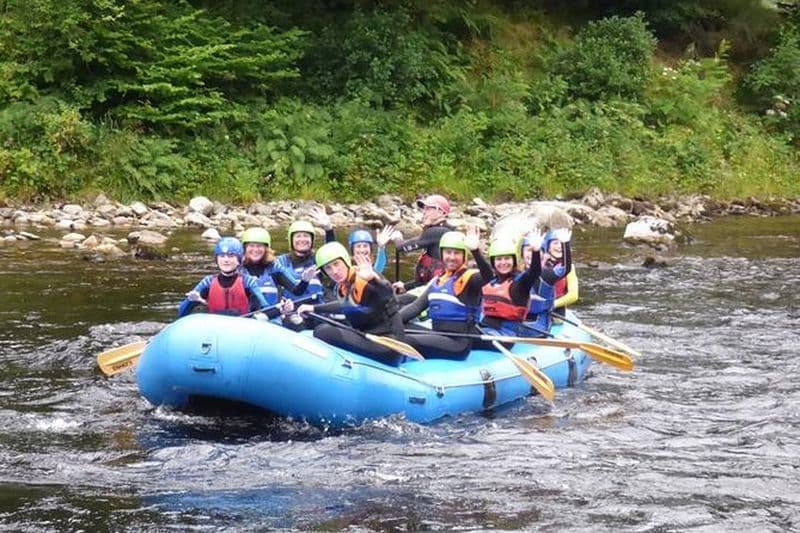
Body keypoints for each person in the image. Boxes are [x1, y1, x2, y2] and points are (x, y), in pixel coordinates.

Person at [295, 242, 406, 365]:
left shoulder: (365, 276)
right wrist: (313, 308)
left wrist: (374, 280)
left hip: (388, 345)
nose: (334, 271)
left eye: (337, 264)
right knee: (325, 328)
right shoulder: (342, 287)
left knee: (323, 331)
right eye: (328, 268)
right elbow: (345, 305)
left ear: (346, 261)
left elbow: (387, 294)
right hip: (369, 337)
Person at [400, 229, 485, 358]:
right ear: (441, 254)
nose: (451, 257)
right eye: (448, 252)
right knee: (398, 328)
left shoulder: (470, 278)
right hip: (438, 335)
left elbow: (488, 277)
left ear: (464, 256)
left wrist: (476, 251)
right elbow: (415, 307)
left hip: (458, 343)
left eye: (456, 253)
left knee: (407, 340)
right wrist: (388, 322)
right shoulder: (437, 281)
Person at [177, 237, 271, 318]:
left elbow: (264, 307)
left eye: (231, 256)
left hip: (242, 328)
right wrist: (191, 301)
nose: (226, 260)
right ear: (217, 259)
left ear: (239, 260)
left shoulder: (248, 282)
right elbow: (182, 313)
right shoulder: (208, 282)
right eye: (222, 256)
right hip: (216, 329)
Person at [474, 230, 545, 337]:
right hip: (485, 329)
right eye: (499, 259)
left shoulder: (519, 284)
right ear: (493, 263)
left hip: (505, 336)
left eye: (507, 258)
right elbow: (484, 268)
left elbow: (534, 272)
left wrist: (536, 251)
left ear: (514, 261)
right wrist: (475, 250)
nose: (503, 263)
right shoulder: (492, 281)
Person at [393, 194, 454, 293]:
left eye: (428, 209)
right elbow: (422, 282)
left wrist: (397, 237)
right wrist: (405, 286)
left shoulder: (436, 232)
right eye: (424, 209)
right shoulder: (446, 230)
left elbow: (401, 247)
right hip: (434, 287)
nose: (424, 212)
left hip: (436, 290)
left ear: (441, 212)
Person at [241, 227, 315, 305]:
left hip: (271, 315)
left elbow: (297, 291)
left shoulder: (274, 268)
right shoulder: (238, 270)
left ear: (266, 249)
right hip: (244, 316)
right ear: (245, 248)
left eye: (259, 246)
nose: (255, 250)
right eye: (251, 246)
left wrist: (305, 281)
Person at [275, 209, 335, 300]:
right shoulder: (280, 261)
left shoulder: (317, 259)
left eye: (306, 236)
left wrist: (328, 229)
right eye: (298, 236)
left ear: (312, 240)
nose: (302, 240)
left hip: (316, 309)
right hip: (289, 310)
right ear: (291, 240)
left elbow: (331, 254)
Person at [542, 229, 578, 317]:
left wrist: (552, 304)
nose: (560, 246)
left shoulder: (569, 268)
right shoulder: (538, 264)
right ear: (548, 247)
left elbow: (573, 295)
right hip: (536, 310)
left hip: (556, 312)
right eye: (555, 243)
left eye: (562, 243)